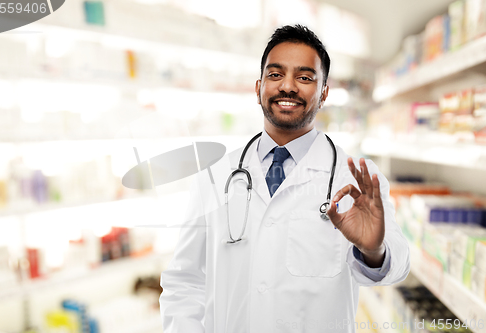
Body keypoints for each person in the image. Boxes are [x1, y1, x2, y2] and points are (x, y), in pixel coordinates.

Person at [159, 24, 410, 333]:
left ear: (324, 94)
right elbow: (184, 281)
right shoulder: (215, 175)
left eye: (305, 78)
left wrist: (374, 251)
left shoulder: (357, 179)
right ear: (258, 88)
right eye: (275, 75)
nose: (288, 86)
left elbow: (397, 265)